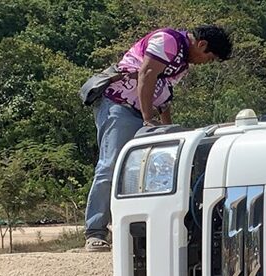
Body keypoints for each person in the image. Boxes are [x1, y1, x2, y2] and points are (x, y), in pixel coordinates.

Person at [83, 25, 233, 252]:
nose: (206, 63)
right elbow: (147, 74)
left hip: (140, 111)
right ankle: (95, 231)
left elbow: (163, 97)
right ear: (201, 45)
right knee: (111, 165)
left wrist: (168, 132)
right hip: (119, 105)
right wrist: (147, 120)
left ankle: (137, 234)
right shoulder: (168, 41)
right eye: (209, 58)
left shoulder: (182, 64)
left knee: (147, 171)